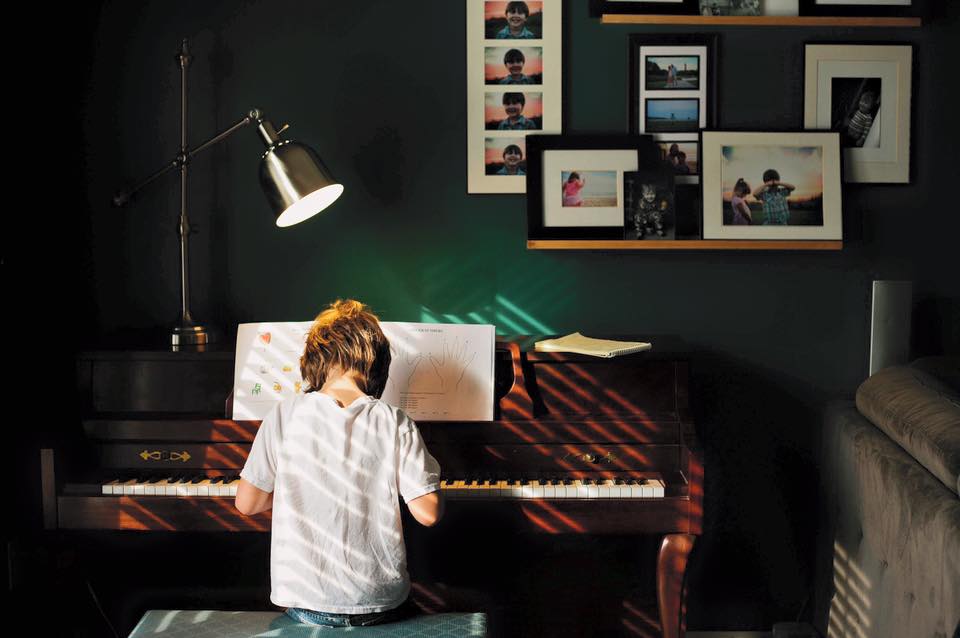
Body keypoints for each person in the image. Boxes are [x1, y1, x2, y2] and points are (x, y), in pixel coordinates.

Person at [235, 299, 442, 628]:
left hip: (306, 606)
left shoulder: (284, 415)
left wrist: (296, 488)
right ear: (377, 365)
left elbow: (248, 504)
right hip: (381, 605)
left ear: (315, 361)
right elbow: (428, 513)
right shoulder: (394, 421)